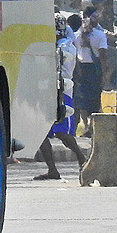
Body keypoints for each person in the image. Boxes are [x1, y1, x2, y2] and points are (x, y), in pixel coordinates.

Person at [35, 14, 88, 179]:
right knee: (41, 134)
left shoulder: (64, 47)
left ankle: (82, 159)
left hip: (61, 93)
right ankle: (52, 170)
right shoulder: (55, 45)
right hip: (47, 93)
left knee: (62, 133)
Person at [72, 8, 110, 136]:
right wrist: (104, 74)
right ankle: (90, 125)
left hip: (80, 68)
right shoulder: (100, 35)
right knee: (94, 98)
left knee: (82, 99)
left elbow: (75, 54)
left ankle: (86, 124)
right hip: (94, 68)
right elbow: (103, 56)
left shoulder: (76, 35)